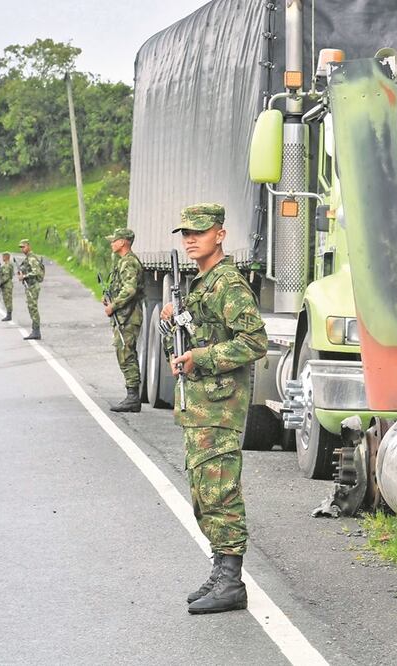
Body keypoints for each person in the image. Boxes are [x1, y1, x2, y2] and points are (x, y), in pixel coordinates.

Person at [160, 203, 267, 614]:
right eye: (185, 233)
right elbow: (198, 334)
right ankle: (221, 570)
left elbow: (254, 341)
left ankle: (232, 582)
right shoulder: (202, 283)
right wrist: (175, 324)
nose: (190, 239)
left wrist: (201, 358)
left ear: (220, 235)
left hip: (220, 408)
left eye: (199, 232)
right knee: (204, 493)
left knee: (220, 491)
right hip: (202, 408)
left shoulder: (228, 284)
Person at [104, 228, 145, 413]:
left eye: (114, 240)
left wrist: (113, 306)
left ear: (123, 242)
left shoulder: (128, 262)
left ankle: (133, 398)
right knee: (125, 353)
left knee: (126, 354)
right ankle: (132, 396)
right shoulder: (125, 262)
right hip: (125, 316)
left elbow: (130, 290)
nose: (112, 243)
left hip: (128, 316)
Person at [17, 239, 44, 340]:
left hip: (33, 286)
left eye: (23, 247)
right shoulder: (28, 258)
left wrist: (24, 276)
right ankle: (35, 330)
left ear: (28, 246)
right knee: (31, 307)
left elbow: (36, 272)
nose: (22, 249)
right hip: (30, 286)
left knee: (33, 308)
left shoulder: (31, 258)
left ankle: (36, 331)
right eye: (21, 247)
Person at [0, 252, 14, 322]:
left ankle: (9, 315)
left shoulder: (8, 265)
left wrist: (1, 283)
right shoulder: (5, 265)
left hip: (7, 285)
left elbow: (7, 276)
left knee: (8, 300)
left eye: (3, 256)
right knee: (6, 299)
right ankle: (8, 314)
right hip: (5, 284)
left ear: (6, 257)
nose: (2, 258)